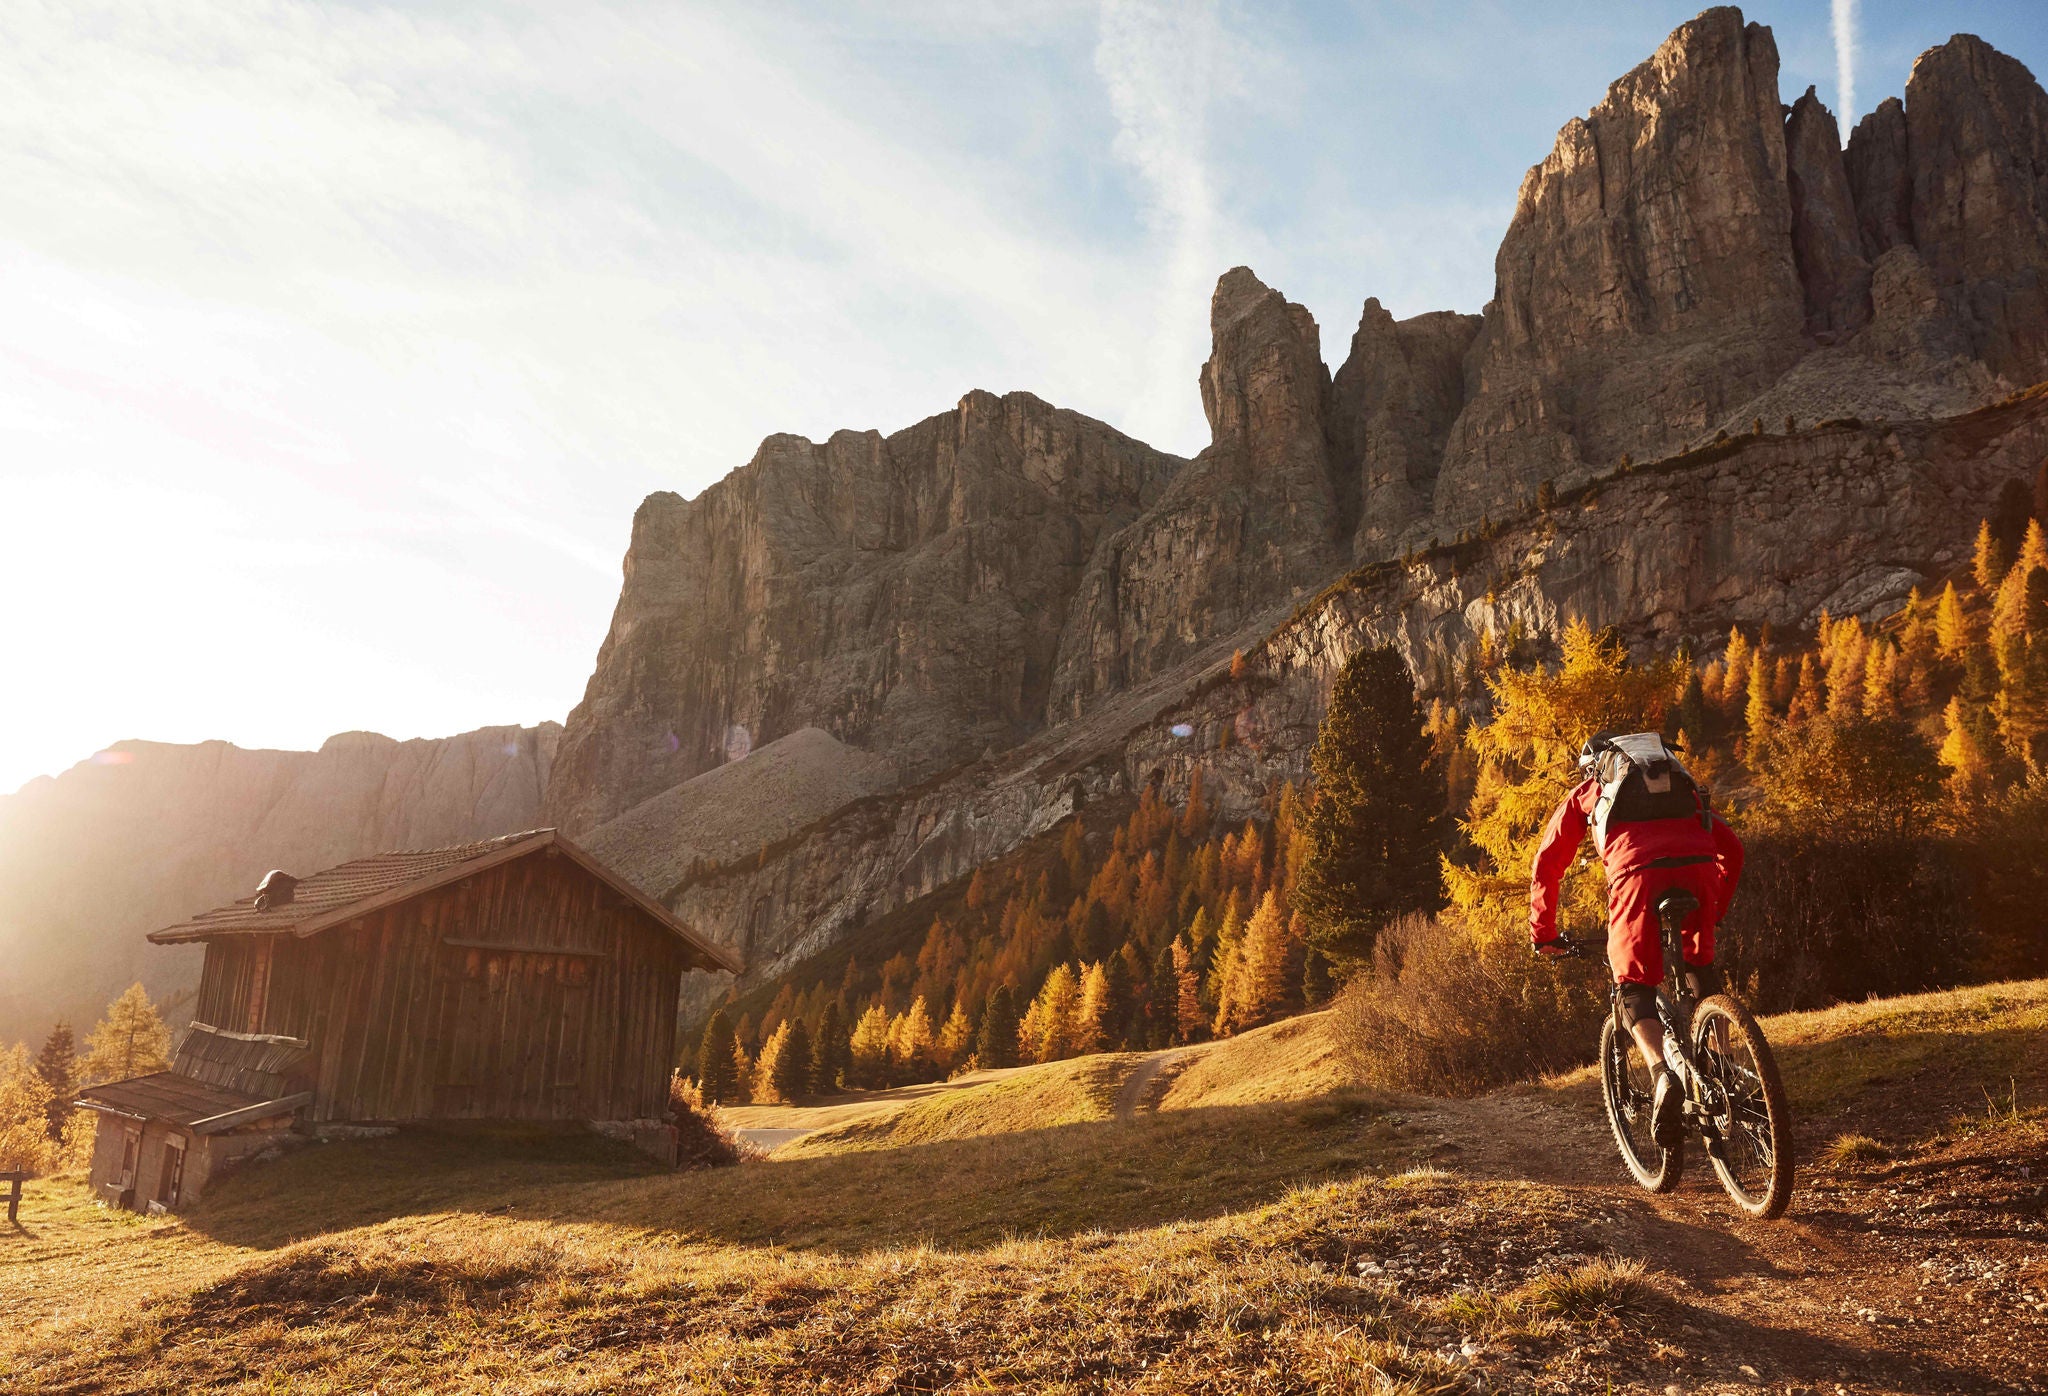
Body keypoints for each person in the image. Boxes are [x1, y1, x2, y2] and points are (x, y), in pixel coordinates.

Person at [1528, 731, 1744, 1146]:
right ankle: (1723, 1062)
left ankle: (1662, 1074)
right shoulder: (1675, 783)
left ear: (1597, 765)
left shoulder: (1591, 791)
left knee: (1633, 986)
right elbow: (1732, 848)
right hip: (1698, 868)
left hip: (1635, 876)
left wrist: (1545, 932)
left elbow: (1548, 862)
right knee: (1700, 967)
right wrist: (1713, 907)